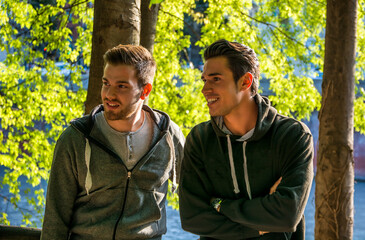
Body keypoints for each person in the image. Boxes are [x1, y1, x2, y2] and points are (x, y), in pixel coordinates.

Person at [41, 44, 185, 240]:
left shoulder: (168, 136)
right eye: (106, 83)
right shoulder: (76, 138)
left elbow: (199, 191)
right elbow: (55, 217)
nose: (109, 94)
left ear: (145, 91)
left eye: (121, 86)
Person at [178, 39, 314, 240]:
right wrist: (257, 227)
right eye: (204, 80)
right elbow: (192, 218)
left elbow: (286, 215)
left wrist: (219, 205)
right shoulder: (199, 140)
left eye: (215, 79)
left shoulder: (292, 136)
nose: (205, 89)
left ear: (245, 81)